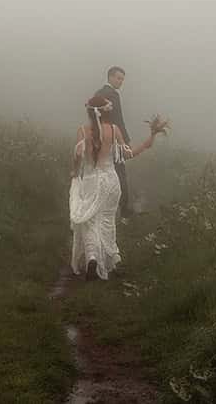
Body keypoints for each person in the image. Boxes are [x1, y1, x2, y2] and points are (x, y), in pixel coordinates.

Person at [69, 94, 166, 280]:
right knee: (107, 220)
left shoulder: (82, 131)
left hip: (90, 181)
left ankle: (92, 258)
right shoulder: (114, 130)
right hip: (111, 181)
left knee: (89, 221)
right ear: (107, 112)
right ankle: (113, 258)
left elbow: (78, 157)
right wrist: (151, 137)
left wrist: (74, 172)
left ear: (89, 112)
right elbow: (129, 154)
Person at [94, 66, 133, 216]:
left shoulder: (98, 93)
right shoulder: (113, 95)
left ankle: (99, 208)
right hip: (114, 139)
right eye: (118, 78)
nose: (121, 81)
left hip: (100, 138)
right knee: (120, 173)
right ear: (110, 77)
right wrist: (125, 141)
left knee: (101, 173)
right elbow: (118, 120)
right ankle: (124, 210)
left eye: (122, 79)